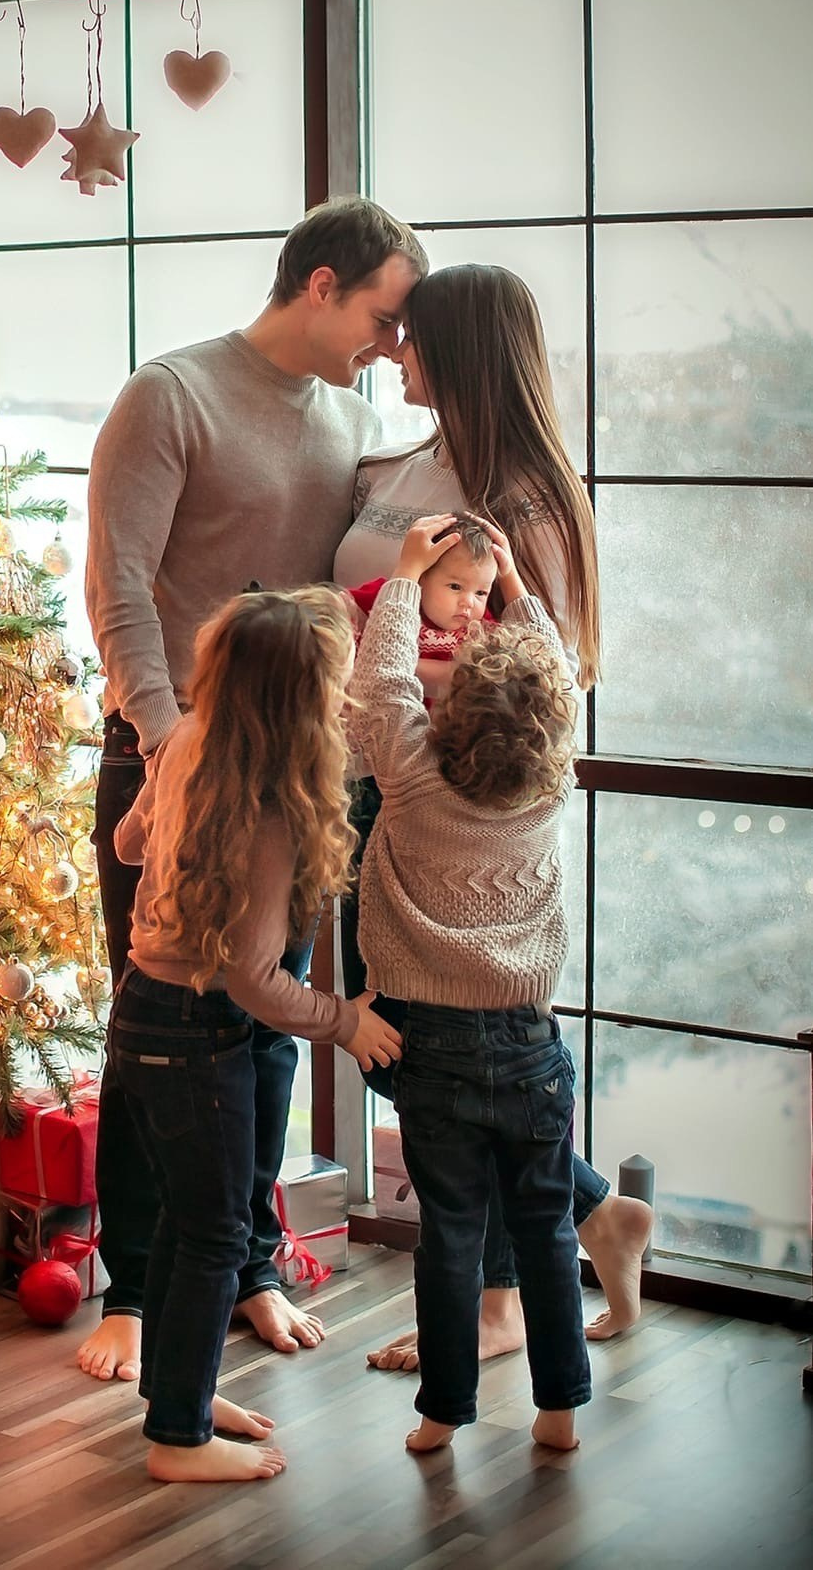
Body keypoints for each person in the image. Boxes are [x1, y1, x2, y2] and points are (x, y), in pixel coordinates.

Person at [80, 196, 429, 1383]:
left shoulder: (357, 423)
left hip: (300, 772)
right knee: (155, 1033)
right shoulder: (169, 394)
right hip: (163, 752)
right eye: (383, 317)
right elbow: (118, 584)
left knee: (267, 1023)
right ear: (320, 284)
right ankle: (131, 1288)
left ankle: (249, 1270)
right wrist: (170, 742)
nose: (391, 345)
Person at [332, 263, 653, 1369]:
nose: (395, 352)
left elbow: (546, 673)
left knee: (432, 1049)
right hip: (389, 775)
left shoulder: (516, 496)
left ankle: (502, 1306)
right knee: (398, 1045)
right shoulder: (423, 462)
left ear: (462, 354)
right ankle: (593, 1213)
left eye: (413, 338)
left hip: (448, 792)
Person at [109, 585, 403, 1482]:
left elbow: (127, 846)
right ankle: (177, 1445)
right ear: (305, 699)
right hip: (198, 1034)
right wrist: (346, 1022)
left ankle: (178, 1395)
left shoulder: (187, 742)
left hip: (139, 1012)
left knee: (180, 1225)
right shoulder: (273, 807)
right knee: (210, 1237)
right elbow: (258, 982)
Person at [348, 513, 589, 1454]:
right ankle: (560, 1410)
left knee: (448, 1239)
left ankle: (442, 1417)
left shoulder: (411, 778)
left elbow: (378, 687)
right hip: (533, 1044)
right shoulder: (551, 786)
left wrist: (407, 575)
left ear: (448, 719)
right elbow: (556, 674)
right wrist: (519, 582)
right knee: (544, 1237)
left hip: (434, 1045)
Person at [346, 514, 499, 707]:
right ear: (421, 577)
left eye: (481, 592)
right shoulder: (390, 599)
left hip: (442, 726)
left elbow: (490, 675)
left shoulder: (481, 629)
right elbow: (336, 608)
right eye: (455, 586)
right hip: (378, 710)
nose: (468, 602)